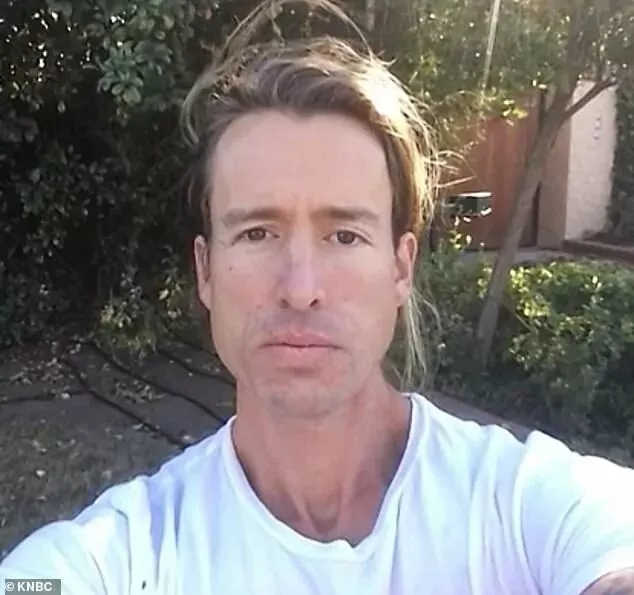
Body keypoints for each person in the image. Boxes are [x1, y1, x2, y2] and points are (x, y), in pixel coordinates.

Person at [2, 1, 633, 593]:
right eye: (257, 232)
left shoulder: (526, 504)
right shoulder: (121, 556)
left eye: (344, 235)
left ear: (401, 267)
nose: (300, 289)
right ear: (205, 270)